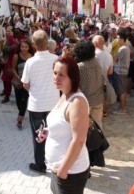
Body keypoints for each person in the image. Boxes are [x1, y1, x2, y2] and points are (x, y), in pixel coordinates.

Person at [37, 56, 90, 194]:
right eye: (55, 73)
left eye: (62, 75)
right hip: (59, 170)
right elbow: (64, 124)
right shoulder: (65, 94)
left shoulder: (77, 102)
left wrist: (63, 171)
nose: (56, 78)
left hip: (70, 173)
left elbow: (79, 140)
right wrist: (49, 131)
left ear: (72, 77)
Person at [21, 30, 59, 174]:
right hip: (54, 103)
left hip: (36, 104)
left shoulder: (30, 62)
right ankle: (54, 161)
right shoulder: (55, 59)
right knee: (54, 134)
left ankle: (40, 164)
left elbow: (25, 83)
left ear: (33, 44)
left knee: (38, 135)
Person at [72, 40, 105, 129]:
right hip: (98, 98)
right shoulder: (96, 61)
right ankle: (99, 141)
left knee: (84, 126)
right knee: (98, 124)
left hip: (85, 101)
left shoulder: (79, 67)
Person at [11, 38, 34, 129]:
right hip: (18, 82)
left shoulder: (32, 56)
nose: (24, 49)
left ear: (29, 48)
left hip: (28, 82)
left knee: (24, 99)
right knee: (18, 101)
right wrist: (18, 77)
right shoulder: (16, 56)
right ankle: (21, 112)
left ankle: (20, 119)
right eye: (22, 47)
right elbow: (13, 68)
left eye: (26, 47)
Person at [93, 35, 113, 118]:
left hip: (94, 80)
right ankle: (104, 111)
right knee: (103, 96)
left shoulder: (93, 55)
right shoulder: (109, 55)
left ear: (95, 43)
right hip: (104, 79)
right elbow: (110, 71)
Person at [113, 28, 130, 114]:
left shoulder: (122, 49)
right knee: (122, 90)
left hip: (120, 72)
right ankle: (122, 107)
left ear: (122, 39)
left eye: (118, 38)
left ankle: (122, 109)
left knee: (121, 91)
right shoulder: (125, 47)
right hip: (123, 71)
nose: (117, 39)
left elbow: (115, 59)